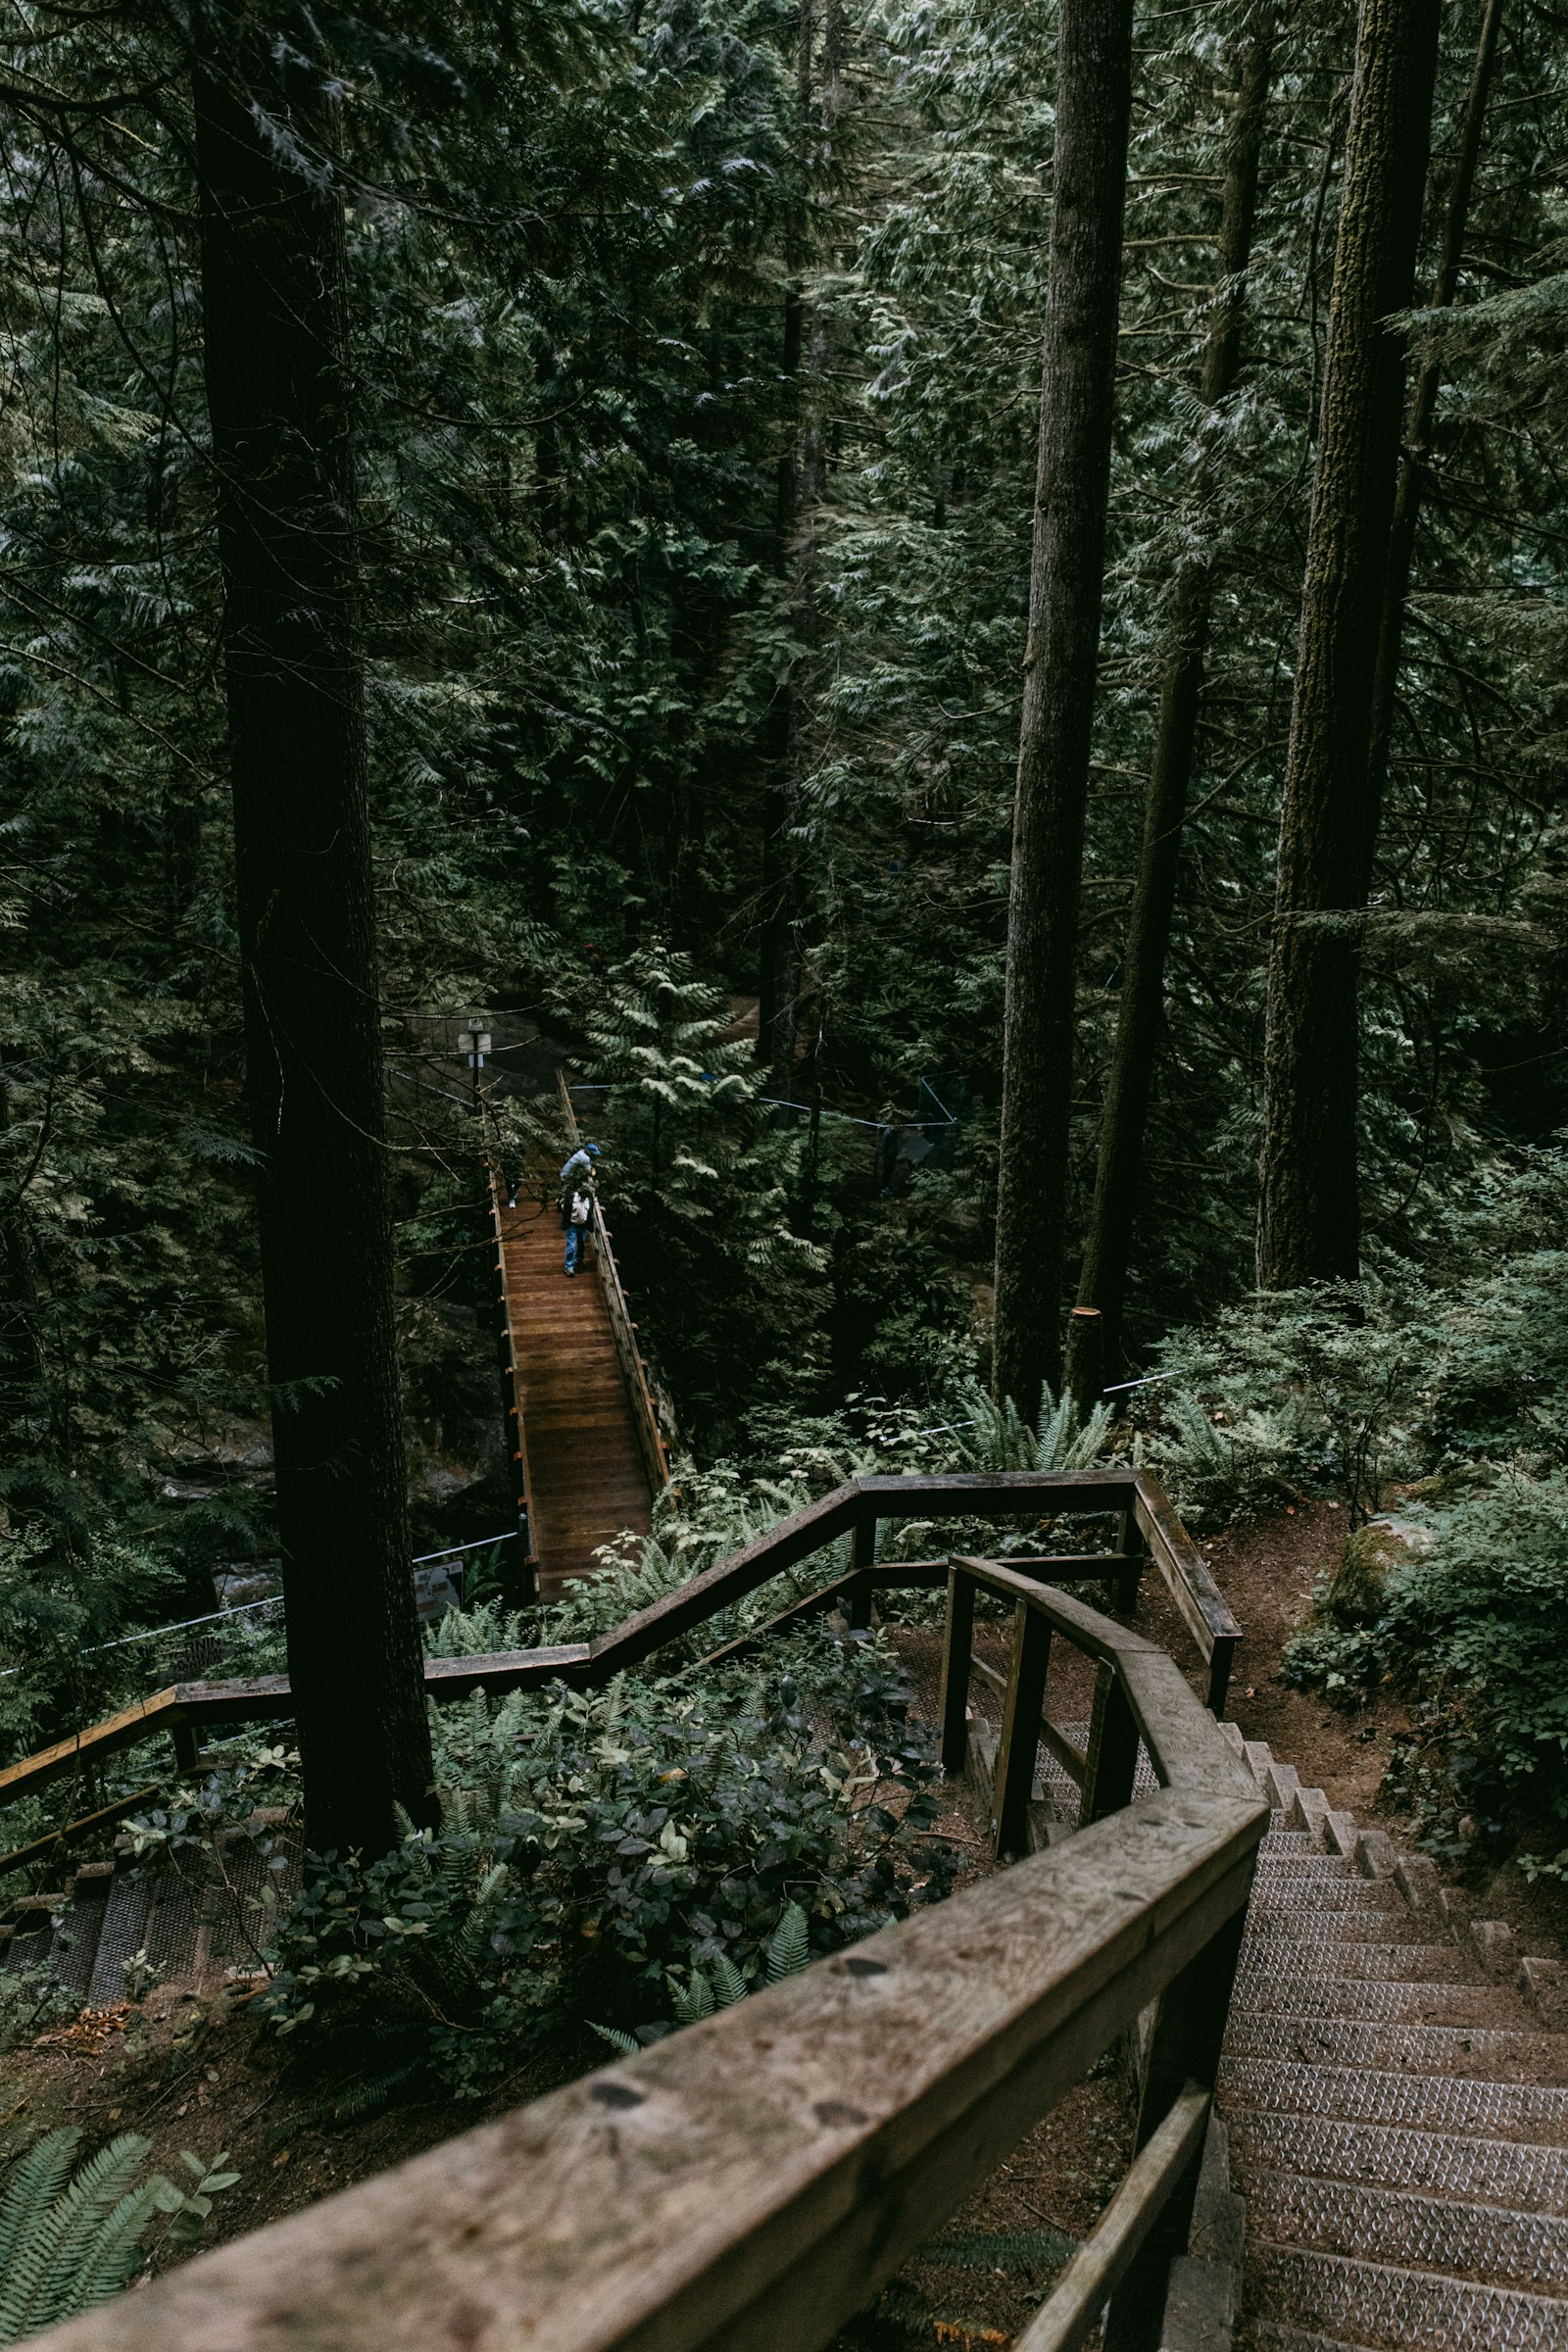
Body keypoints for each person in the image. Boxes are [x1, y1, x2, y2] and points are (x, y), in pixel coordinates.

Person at [564, 1181, 593, 1276]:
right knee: (571, 1246)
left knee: (582, 1245)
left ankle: (578, 1259)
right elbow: (566, 1210)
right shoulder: (573, 1198)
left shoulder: (589, 1200)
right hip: (573, 1225)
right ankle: (569, 1267)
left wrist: (590, 1225)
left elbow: (590, 1213)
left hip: (583, 1225)